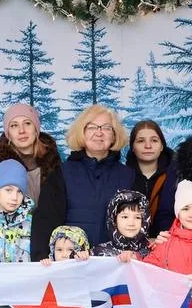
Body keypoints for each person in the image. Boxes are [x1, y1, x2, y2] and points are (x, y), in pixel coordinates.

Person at [31, 105, 134, 261]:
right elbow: (45, 221)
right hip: (71, 264)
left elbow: (137, 225)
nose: (99, 132)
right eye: (92, 127)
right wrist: (41, 259)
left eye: (106, 128)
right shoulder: (62, 173)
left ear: (114, 135)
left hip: (113, 265)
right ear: (81, 132)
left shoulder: (128, 176)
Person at [0, 103, 61, 209]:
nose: (21, 130)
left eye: (27, 123)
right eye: (14, 125)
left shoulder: (54, 165)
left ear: (36, 129)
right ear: (8, 134)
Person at [126, 120, 176, 235]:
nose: (148, 146)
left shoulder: (177, 176)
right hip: (131, 242)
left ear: (162, 146)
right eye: (140, 141)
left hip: (169, 240)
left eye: (154, 140)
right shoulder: (123, 176)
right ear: (133, 147)